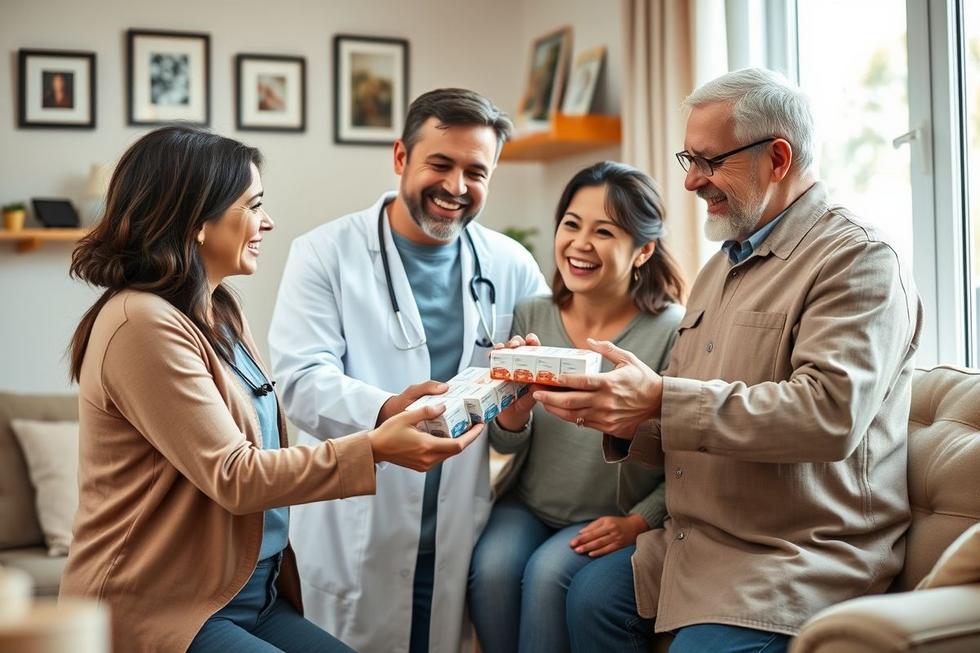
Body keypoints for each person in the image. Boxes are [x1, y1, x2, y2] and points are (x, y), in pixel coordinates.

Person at [532, 68, 922, 652]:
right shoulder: (720, 267)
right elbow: (690, 409)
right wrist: (622, 415)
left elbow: (828, 415)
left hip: (793, 555)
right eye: (687, 158)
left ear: (779, 157)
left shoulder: (859, 260)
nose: (690, 181)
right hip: (697, 540)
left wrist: (658, 398)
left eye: (708, 161)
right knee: (587, 598)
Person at [60, 125, 481, 652]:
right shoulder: (141, 324)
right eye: (253, 205)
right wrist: (375, 448)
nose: (267, 221)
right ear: (196, 219)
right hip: (165, 604)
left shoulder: (219, 310)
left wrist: (391, 411)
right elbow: (235, 475)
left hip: (250, 595)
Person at [269, 88, 549, 653]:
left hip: (453, 531)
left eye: (477, 172)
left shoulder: (511, 265)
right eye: (440, 164)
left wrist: (516, 414)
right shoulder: (324, 254)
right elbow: (300, 382)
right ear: (401, 157)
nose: (456, 187)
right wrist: (389, 409)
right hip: (354, 525)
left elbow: (520, 412)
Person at [467, 161, 687, 653]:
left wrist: (639, 522)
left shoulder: (673, 329)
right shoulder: (532, 313)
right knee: (493, 571)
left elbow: (686, 453)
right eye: (571, 224)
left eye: (604, 231)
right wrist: (514, 411)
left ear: (643, 250)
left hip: (616, 511)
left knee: (548, 576)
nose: (580, 244)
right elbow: (505, 438)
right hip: (528, 504)